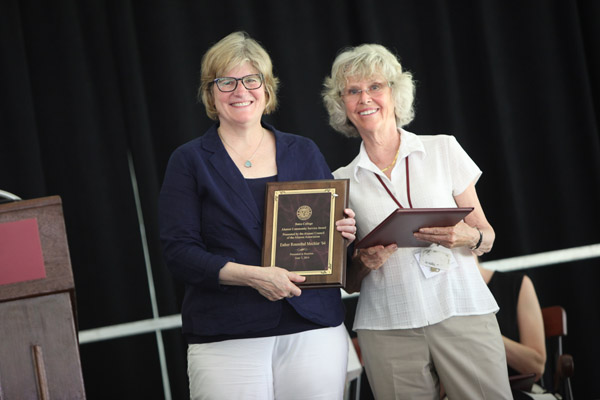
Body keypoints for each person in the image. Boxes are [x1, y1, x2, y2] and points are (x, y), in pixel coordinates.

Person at [159, 31, 356, 400]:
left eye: (252, 80)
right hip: (227, 332)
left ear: (266, 89)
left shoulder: (304, 150)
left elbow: (330, 236)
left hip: (312, 325)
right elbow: (179, 253)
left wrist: (342, 232)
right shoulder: (189, 161)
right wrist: (252, 277)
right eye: (226, 81)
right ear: (210, 92)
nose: (241, 90)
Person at [322, 43, 513, 399]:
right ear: (342, 105)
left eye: (375, 86)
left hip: (461, 308)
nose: (365, 98)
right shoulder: (338, 181)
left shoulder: (443, 148)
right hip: (387, 323)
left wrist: (466, 236)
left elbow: (487, 236)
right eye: (353, 91)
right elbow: (347, 283)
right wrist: (361, 264)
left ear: (396, 92)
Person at [477, 258, 551, 399]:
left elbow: (536, 366)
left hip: (519, 390)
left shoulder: (515, 284)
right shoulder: (440, 298)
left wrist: (484, 333)